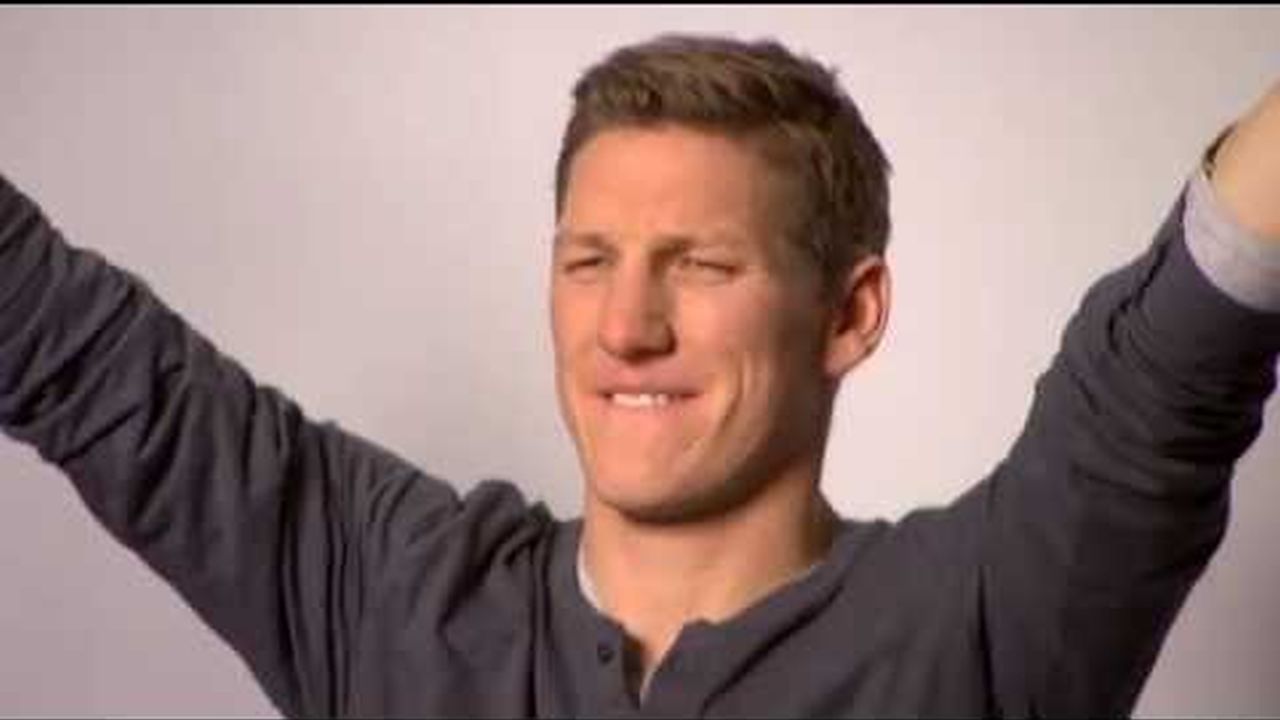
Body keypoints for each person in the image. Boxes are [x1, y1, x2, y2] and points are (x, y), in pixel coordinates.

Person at [1, 33, 1277, 718]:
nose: (624, 327)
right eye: (588, 261)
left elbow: (1170, 361)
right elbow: (78, 352)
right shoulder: (390, 596)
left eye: (700, 266)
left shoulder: (986, 622)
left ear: (848, 314)